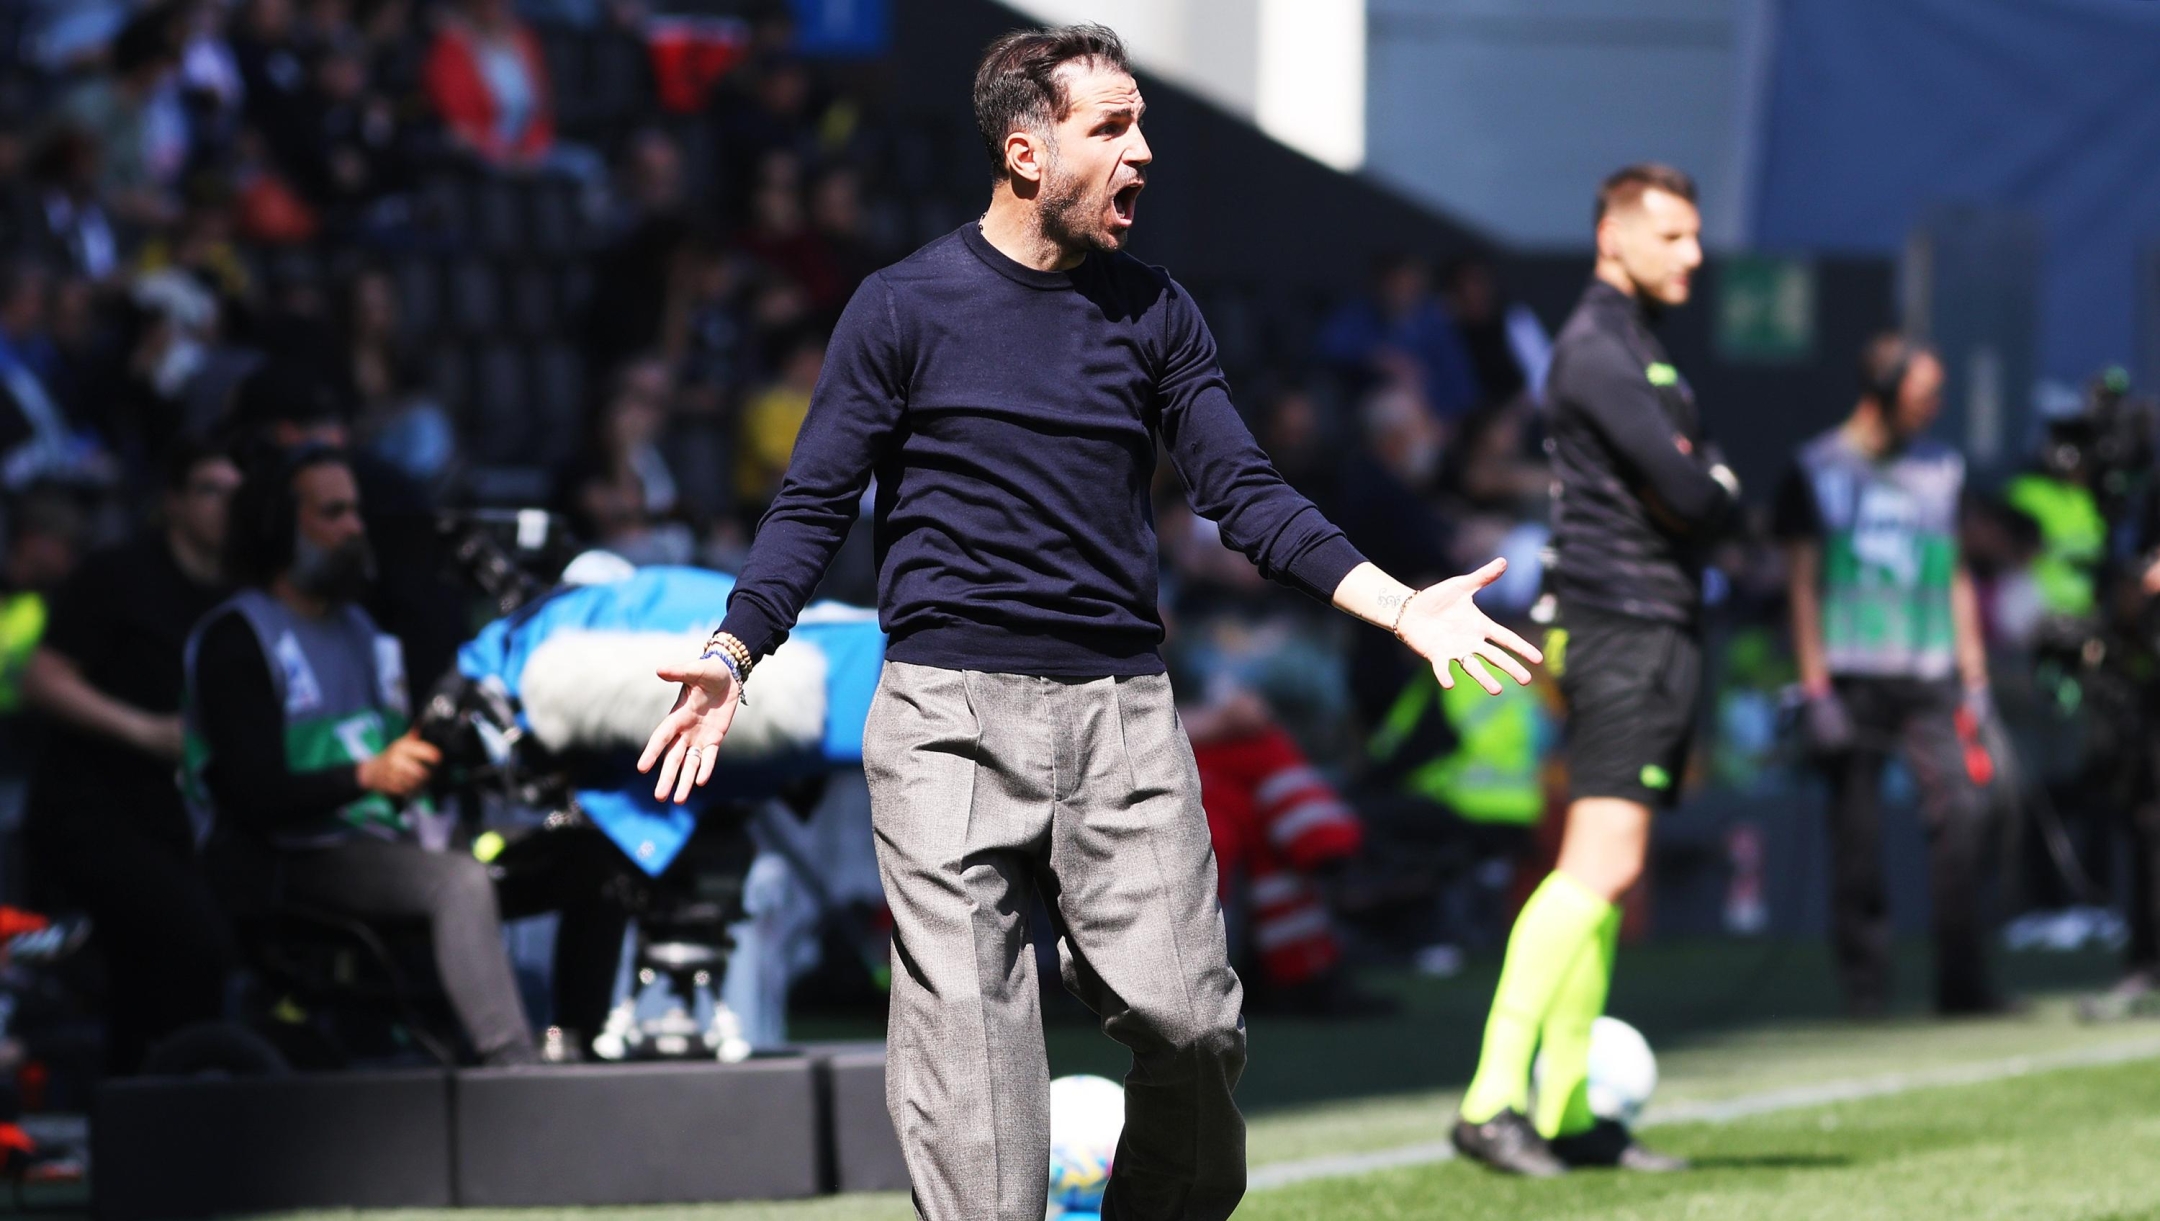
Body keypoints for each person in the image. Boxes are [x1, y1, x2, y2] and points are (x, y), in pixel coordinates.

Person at [635, 26, 1540, 1221]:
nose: (1143, 151)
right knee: (973, 1077)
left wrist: (1399, 603)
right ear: (1026, 151)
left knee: (1195, 1027)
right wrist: (734, 648)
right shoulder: (900, 306)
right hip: (946, 720)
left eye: (1142, 123)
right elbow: (812, 504)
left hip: (1121, 715)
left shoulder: (1156, 311)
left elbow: (1246, 494)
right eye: (1112, 127)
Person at [1452, 164, 1735, 1177]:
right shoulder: (1599, 349)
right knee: (1597, 868)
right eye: (1672, 235)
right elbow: (1694, 493)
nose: (1692, 254)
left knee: (1605, 873)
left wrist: (1706, 481)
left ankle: (1566, 1108)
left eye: (1694, 235)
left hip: (1640, 626)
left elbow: (1697, 487)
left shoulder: (1629, 343)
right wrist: (1711, 481)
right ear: (1613, 238)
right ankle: (1491, 1101)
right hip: (1623, 627)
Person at [185, 447, 541, 1066]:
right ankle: (515, 1069)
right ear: (279, 526)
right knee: (456, 884)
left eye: (356, 511)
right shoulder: (238, 637)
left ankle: (577, 1039)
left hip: (386, 834)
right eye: (333, 513)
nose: (355, 527)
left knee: (566, 849)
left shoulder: (362, 628)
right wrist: (367, 776)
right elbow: (251, 794)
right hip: (292, 856)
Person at [1776, 335, 2002, 1017]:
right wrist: (1816, 688)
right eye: (1925, 393)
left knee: (1966, 813)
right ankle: (1867, 992)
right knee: (1857, 837)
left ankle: (1963, 985)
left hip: (1931, 672)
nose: (1936, 407)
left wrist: (1975, 676)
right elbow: (1802, 586)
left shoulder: (1943, 469)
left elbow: (1957, 573)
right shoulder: (1816, 467)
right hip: (1851, 675)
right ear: (1882, 391)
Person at [21, 443, 240, 1072]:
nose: (224, 507)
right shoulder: (117, 575)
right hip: (96, 812)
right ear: (172, 501)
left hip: (186, 820)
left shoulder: (241, 590)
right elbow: (43, 678)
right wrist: (143, 730)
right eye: (208, 490)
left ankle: (153, 1098)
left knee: (159, 974)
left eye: (236, 493)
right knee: (187, 940)